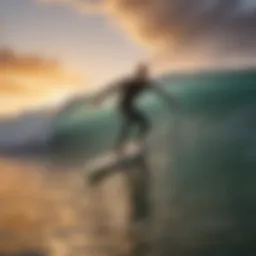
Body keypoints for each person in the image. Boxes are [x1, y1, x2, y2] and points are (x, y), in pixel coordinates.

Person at [92, 63, 178, 153]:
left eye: (144, 73)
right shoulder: (130, 82)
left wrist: (170, 101)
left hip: (129, 106)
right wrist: (99, 98)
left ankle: (135, 144)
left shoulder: (146, 83)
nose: (143, 76)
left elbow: (159, 92)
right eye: (141, 73)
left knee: (142, 124)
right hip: (123, 105)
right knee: (134, 124)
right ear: (137, 74)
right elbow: (112, 88)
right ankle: (123, 147)